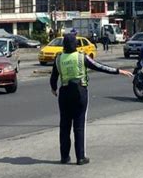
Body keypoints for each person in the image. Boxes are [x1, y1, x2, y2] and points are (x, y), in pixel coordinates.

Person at [50, 34, 133, 165]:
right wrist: (118, 71)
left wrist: (54, 88)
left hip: (64, 93)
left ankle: (64, 157)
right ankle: (80, 157)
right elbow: (99, 66)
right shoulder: (81, 57)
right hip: (79, 92)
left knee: (64, 126)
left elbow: (54, 77)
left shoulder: (58, 58)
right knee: (79, 126)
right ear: (75, 44)